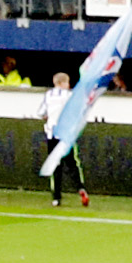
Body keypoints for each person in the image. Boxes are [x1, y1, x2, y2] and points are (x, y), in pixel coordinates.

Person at [37, 69, 91, 209]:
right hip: (66, 134)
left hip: (52, 133)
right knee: (73, 164)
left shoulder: (49, 95)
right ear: (62, 83)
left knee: (56, 166)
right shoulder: (70, 95)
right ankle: (80, 188)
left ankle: (56, 197)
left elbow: (41, 113)